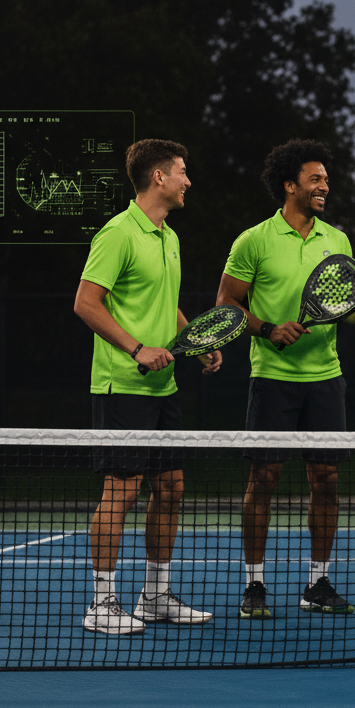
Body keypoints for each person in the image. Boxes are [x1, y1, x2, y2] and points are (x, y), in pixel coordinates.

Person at [216, 139, 355, 619]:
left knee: (326, 480)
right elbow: (227, 304)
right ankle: (254, 585)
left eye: (326, 180)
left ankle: (317, 583)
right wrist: (267, 328)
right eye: (315, 179)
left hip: (325, 377)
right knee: (263, 478)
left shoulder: (337, 240)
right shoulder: (254, 240)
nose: (324, 186)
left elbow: (344, 305)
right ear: (290, 186)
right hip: (272, 377)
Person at [75, 138, 220, 635]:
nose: (188, 180)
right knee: (122, 490)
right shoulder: (117, 234)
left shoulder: (169, 236)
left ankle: (155, 596)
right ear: (158, 177)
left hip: (164, 389)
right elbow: (87, 303)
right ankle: (101, 604)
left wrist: (195, 340)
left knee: (172, 489)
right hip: (123, 385)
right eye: (182, 171)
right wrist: (137, 350)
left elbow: (167, 304)